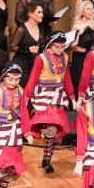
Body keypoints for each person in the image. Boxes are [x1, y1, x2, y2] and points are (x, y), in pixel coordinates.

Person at [23, 32, 77, 173]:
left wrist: (73, 98)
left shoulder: (64, 57)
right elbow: (33, 78)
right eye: (58, 47)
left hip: (58, 97)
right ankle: (47, 158)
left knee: (54, 128)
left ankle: (47, 157)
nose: (60, 50)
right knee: (50, 128)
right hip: (44, 96)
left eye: (63, 47)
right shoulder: (41, 58)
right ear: (51, 45)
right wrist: (26, 98)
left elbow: (67, 79)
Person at [10, 1, 49, 82]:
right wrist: (27, 49)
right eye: (39, 12)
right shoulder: (21, 29)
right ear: (30, 14)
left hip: (36, 66)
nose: (42, 15)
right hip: (22, 66)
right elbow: (12, 47)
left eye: (42, 12)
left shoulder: (42, 29)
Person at [69, 0, 94, 99]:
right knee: (81, 82)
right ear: (82, 11)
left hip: (93, 59)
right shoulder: (77, 25)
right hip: (81, 59)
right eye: (88, 9)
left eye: (92, 9)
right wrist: (85, 51)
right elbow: (72, 47)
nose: (91, 11)